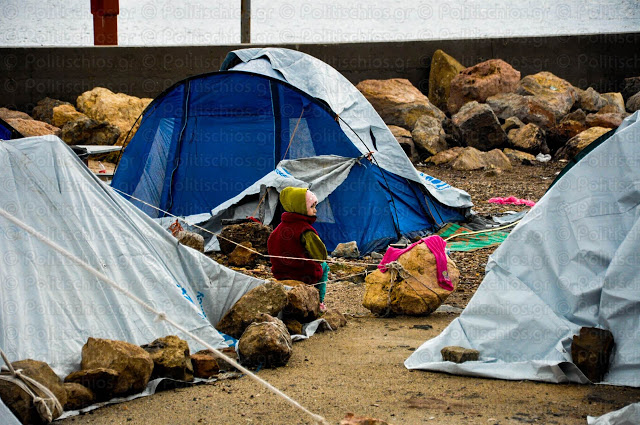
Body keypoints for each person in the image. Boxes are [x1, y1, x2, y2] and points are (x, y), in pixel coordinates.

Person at [267, 187, 329, 311]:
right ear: (301, 208)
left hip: (281, 273)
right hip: (303, 274)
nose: (315, 210)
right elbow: (320, 256)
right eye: (312, 207)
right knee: (324, 266)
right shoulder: (305, 230)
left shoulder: (278, 229)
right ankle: (319, 302)